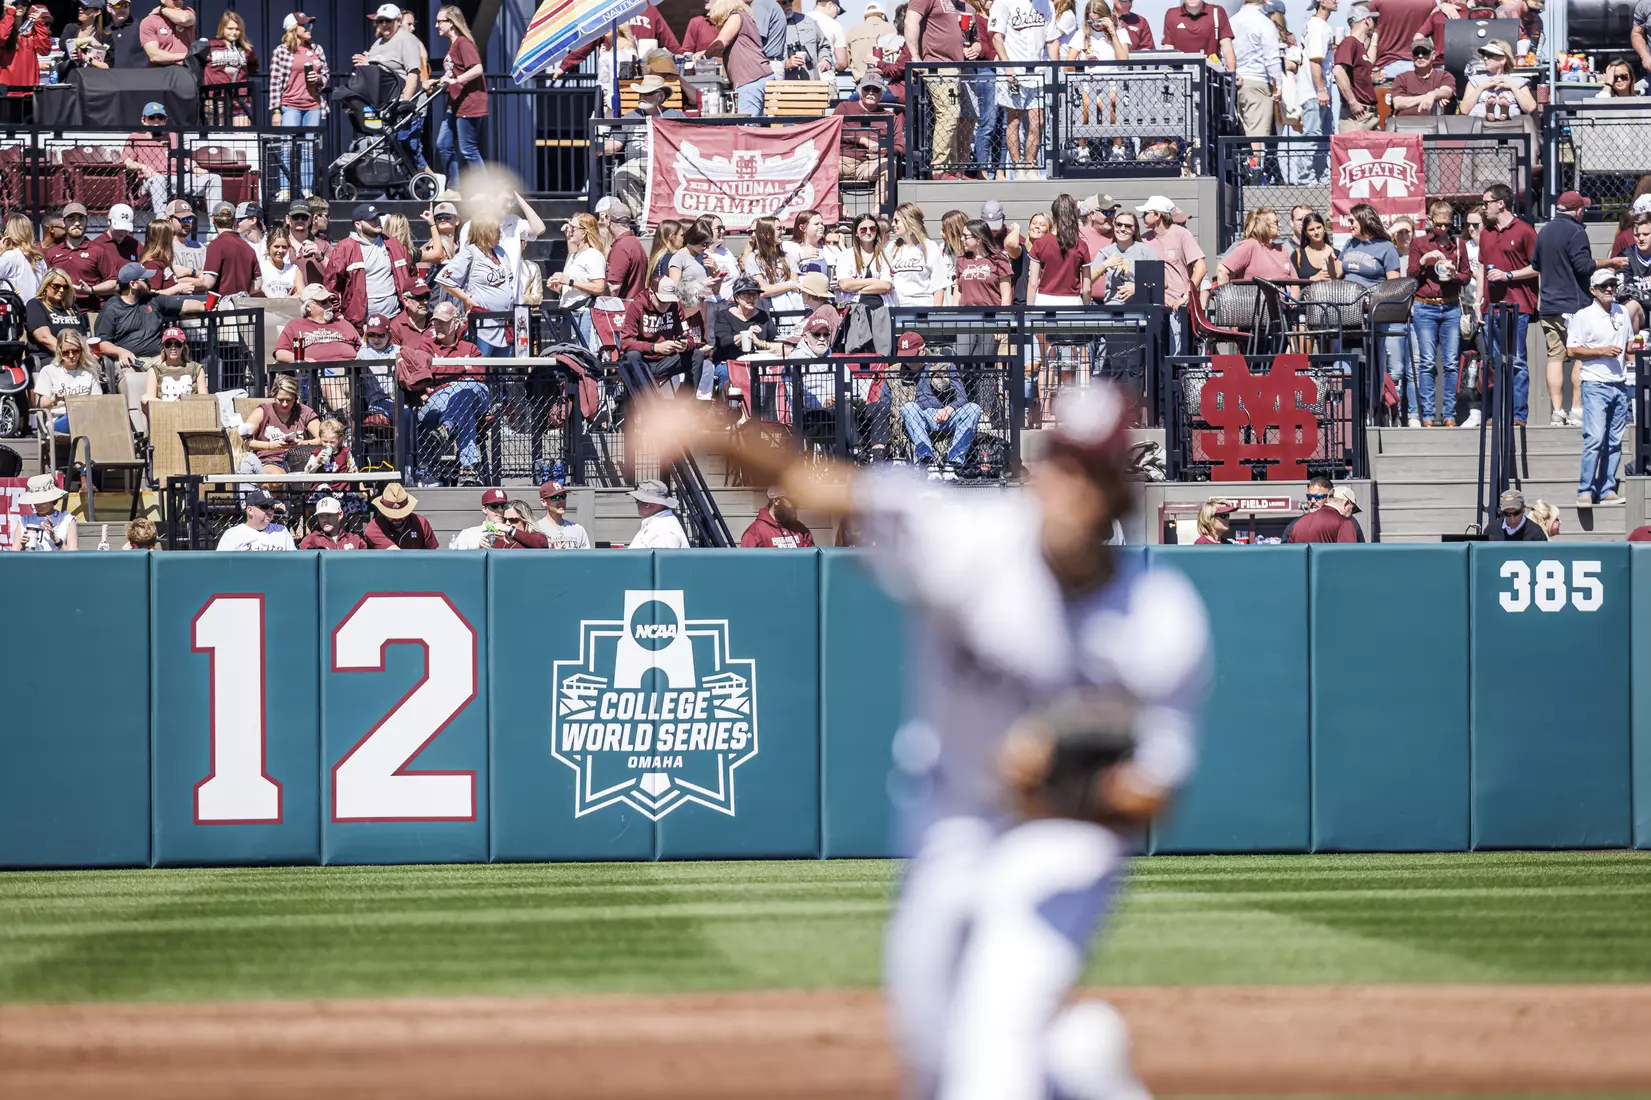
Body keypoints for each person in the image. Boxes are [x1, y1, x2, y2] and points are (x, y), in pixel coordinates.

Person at [633, 383, 1207, 1100]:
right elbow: (816, 483)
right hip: (950, 818)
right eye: (1059, 464)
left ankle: (1051, 1062)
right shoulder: (973, 538)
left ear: (1118, 491)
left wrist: (1059, 783)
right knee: (935, 1060)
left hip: (1062, 840)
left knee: (988, 1058)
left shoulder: (1158, 622)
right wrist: (712, 430)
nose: (1067, 488)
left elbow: (1152, 792)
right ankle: (1076, 1066)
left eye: (1089, 472)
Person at [93, 261, 206, 432]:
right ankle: (141, 433)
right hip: (129, 360)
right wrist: (120, 351)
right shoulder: (112, 308)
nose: (149, 282)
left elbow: (193, 305)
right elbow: (102, 342)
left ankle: (186, 426)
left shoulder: (154, 300)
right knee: (132, 379)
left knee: (186, 373)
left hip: (157, 358)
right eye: (144, 280)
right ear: (133, 284)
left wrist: (207, 305)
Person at [399, 300, 487, 484]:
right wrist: (461, 370)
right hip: (438, 403)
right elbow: (423, 376)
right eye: (435, 321)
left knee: (468, 388)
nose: (437, 325)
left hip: (466, 395)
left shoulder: (470, 348)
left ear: (456, 323)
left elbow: (479, 378)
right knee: (465, 408)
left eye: (443, 321)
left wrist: (444, 378)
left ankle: (447, 426)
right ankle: (469, 468)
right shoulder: (426, 347)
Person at [1534, 191, 1598, 429]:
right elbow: (1583, 266)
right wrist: (1607, 263)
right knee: (1581, 355)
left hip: (1549, 305)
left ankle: (1557, 412)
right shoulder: (1577, 231)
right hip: (1574, 306)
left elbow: (1536, 265)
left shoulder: (1544, 232)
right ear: (1578, 210)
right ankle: (1577, 411)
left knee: (1555, 357)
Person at [1568, 269, 1632, 508]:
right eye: (1604, 286)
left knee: (1614, 441)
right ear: (1592, 290)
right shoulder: (1583, 316)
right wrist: (1601, 351)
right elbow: (1572, 350)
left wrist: (1633, 347)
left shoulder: (1623, 312)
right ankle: (1586, 489)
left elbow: (1627, 345)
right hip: (1595, 384)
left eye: (1613, 285)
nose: (1609, 289)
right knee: (1595, 438)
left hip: (1619, 384)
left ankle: (1606, 489)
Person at [1479, 182, 1537, 427]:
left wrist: (1508, 275)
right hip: (1490, 308)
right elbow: (1481, 267)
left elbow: (1537, 267)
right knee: (1494, 362)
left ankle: (1518, 415)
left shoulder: (1525, 231)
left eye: (1486, 203)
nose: (1484, 208)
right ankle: (1496, 414)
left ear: (1500, 203)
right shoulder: (1485, 233)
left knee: (1517, 361)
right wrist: (1477, 302)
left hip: (1518, 306)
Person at [1411, 200, 1470, 427]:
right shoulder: (1420, 243)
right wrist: (1424, 261)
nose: (1443, 229)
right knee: (1426, 362)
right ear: (1430, 220)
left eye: (1447, 224)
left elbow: (1466, 276)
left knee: (1451, 363)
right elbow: (1411, 275)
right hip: (1425, 306)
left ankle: (1449, 415)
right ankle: (1427, 415)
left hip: (1451, 306)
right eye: (1439, 224)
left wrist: (1455, 274)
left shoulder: (1458, 244)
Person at [989, 0, 1058, 180]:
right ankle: (1017, 166)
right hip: (1013, 72)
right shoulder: (1003, 3)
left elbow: (1052, 40)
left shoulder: (1046, 4)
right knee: (1014, 119)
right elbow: (997, 38)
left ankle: (1031, 165)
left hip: (1038, 72)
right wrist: (1008, 68)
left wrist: (1057, 70)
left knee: (1038, 120)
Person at [354, 3, 427, 172]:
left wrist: (405, 104)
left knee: (406, 147)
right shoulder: (378, 43)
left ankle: (431, 181)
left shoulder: (407, 40)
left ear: (398, 21)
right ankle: (394, 186)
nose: (384, 24)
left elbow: (413, 74)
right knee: (387, 148)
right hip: (382, 106)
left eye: (388, 21)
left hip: (400, 104)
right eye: (380, 21)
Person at [123, 102, 223, 216]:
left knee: (214, 178)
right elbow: (126, 161)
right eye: (151, 117)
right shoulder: (135, 137)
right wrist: (142, 166)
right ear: (143, 120)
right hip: (151, 180)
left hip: (176, 179)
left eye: (160, 117)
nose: (156, 121)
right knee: (159, 180)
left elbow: (185, 159)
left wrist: (196, 168)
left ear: (165, 120)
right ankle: (162, 224)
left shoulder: (173, 136)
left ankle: (215, 224)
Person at [267, 13, 328, 201]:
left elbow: (326, 74)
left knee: (309, 148)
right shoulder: (281, 51)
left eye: (310, 24)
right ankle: (285, 189)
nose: (309, 27)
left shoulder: (317, 49)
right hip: (290, 105)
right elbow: (275, 82)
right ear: (293, 28)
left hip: (313, 105)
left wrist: (318, 79)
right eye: (305, 25)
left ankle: (306, 190)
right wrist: (276, 110)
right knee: (287, 147)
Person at [323, 203, 414, 327]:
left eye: (377, 218)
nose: (377, 222)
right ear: (358, 224)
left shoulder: (393, 244)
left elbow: (411, 275)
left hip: (395, 318)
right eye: (371, 220)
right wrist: (337, 313)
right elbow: (331, 284)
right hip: (361, 324)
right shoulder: (344, 248)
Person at [437, 215, 516, 356]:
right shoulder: (470, 252)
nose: (500, 234)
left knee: (504, 372)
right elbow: (444, 279)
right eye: (496, 230)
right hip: (483, 325)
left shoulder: (501, 252)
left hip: (505, 323)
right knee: (480, 369)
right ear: (485, 231)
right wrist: (466, 299)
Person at [900, 348, 983, 479]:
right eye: (905, 358)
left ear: (922, 351)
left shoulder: (943, 364)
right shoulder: (896, 371)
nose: (907, 362)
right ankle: (929, 463)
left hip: (947, 415)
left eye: (911, 357)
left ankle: (952, 464)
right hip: (921, 417)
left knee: (974, 408)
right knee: (908, 408)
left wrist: (948, 409)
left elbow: (962, 397)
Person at [1138, 196, 1205, 354]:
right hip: (1153, 308)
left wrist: (1185, 296)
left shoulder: (1182, 234)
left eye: (1145, 213)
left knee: (1177, 359)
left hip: (1178, 309)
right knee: (1155, 358)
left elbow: (1200, 268)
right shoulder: (1143, 240)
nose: (1142, 217)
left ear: (1157, 215)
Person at [429, 6, 487, 185]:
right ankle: (454, 187)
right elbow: (453, 73)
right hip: (455, 104)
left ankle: (486, 189)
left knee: (468, 148)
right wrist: (438, 81)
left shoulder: (463, 43)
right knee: (443, 144)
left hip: (469, 103)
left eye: (440, 21)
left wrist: (457, 80)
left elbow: (477, 68)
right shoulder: (454, 45)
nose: (436, 25)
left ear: (452, 23)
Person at [620, 276, 705, 390]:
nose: (666, 305)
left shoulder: (675, 305)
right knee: (633, 355)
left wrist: (685, 345)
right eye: (662, 301)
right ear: (651, 294)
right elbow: (626, 342)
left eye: (669, 300)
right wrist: (654, 347)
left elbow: (689, 337)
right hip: (643, 360)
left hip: (666, 360)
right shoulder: (637, 306)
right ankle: (642, 403)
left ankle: (685, 404)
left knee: (697, 355)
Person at [703, 0, 773, 117]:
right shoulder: (745, 17)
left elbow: (721, 42)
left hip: (749, 80)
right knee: (758, 125)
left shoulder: (735, 16)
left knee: (746, 126)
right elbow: (735, 48)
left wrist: (704, 56)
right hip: (758, 76)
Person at [239, 374, 319, 476]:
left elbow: (324, 437)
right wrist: (270, 446)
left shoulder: (304, 412)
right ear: (273, 396)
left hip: (300, 460)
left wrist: (303, 443)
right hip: (270, 460)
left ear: (295, 397)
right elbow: (242, 440)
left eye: (289, 400)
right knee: (276, 478)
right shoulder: (263, 412)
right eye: (280, 400)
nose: (285, 404)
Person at [549, 212, 607, 350]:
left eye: (573, 228)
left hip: (583, 315)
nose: (569, 230)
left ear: (584, 233)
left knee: (583, 357)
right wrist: (558, 287)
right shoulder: (574, 255)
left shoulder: (594, 255)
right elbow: (573, 285)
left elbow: (599, 287)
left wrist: (569, 281)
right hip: (569, 314)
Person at [1028, 194, 1094, 305]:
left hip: (1044, 301)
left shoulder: (1040, 244)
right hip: (1072, 303)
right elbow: (1087, 288)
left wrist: (1028, 311)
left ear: (1052, 214)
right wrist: (1085, 309)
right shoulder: (1081, 245)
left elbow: (1033, 284)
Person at [32, 329, 101, 434]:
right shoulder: (49, 371)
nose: (71, 356)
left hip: (86, 417)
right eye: (66, 352)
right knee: (75, 417)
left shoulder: (89, 372)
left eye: (75, 351)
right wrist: (54, 400)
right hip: (59, 419)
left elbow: (98, 401)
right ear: (59, 351)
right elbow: (43, 404)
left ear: (81, 350)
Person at [1230, 0, 1282, 139]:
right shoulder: (1264, 23)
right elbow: (1271, 58)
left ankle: (1245, 160)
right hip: (1258, 81)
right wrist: (1278, 86)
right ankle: (1256, 161)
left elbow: (1224, 53)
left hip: (1234, 82)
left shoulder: (1231, 21)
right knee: (1256, 134)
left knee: (1239, 133)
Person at [275, 283, 361, 365]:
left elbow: (362, 347)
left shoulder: (343, 323)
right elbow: (280, 353)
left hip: (350, 373)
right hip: (314, 375)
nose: (329, 304)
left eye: (330, 301)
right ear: (308, 307)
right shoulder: (294, 326)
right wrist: (303, 360)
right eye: (323, 302)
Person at [743, 214, 803, 320]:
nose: (783, 232)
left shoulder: (787, 257)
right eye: (779, 229)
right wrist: (789, 285)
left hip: (789, 313)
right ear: (766, 234)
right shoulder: (753, 259)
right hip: (765, 314)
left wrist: (778, 288)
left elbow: (796, 286)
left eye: (782, 228)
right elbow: (762, 291)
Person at [203, 10, 257, 125]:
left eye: (237, 29)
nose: (234, 32)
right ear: (222, 28)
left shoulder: (246, 48)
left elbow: (253, 66)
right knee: (218, 138)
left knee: (242, 139)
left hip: (240, 99)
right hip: (216, 101)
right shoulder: (210, 46)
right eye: (230, 28)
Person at [1214, 207, 1291, 285]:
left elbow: (1295, 282)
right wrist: (1228, 296)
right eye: (1276, 223)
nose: (1280, 225)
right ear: (1263, 225)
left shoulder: (1282, 250)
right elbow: (1222, 271)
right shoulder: (1250, 245)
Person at [1462, 39, 1534, 121]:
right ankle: (1489, 111)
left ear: (1503, 60)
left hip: (1511, 126)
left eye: (1490, 55)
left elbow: (1530, 108)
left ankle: (1504, 111)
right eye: (1484, 55)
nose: (1485, 58)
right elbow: (1464, 110)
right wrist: (1481, 87)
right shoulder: (1475, 80)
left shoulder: (1517, 81)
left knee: (1506, 108)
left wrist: (1512, 87)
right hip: (1479, 124)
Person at [1092, 211, 1154, 305]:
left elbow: (1162, 282)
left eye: (1128, 226)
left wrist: (1138, 287)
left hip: (1139, 310)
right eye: (1118, 225)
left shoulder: (1144, 250)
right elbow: (1088, 279)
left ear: (1135, 229)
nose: (1122, 229)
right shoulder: (1106, 252)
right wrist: (1105, 265)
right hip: (1112, 309)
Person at [141, 325, 207, 412]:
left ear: (183, 346)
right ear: (164, 347)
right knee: (145, 398)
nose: (173, 348)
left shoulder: (196, 368)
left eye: (177, 344)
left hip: (190, 413)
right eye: (168, 344)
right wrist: (172, 406)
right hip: (165, 413)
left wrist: (185, 402)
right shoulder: (155, 370)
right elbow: (149, 401)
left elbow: (205, 400)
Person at [201, 203, 261, 298]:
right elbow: (257, 285)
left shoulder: (215, 245)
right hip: (243, 307)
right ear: (235, 221)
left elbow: (208, 283)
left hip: (222, 308)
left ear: (212, 220)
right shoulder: (249, 248)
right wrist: (240, 292)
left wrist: (194, 275)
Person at [25, 269, 86, 362]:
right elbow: (45, 338)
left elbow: (83, 337)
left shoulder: (72, 308)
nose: (61, 290)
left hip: (76, 358)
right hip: (48, 358)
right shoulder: (35, 305)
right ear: (45, 286)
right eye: (56, 286)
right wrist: (69, 354)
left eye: (65, 287)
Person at [1333, 5, 1377, 132]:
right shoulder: (1349, 42)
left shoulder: (1359, 46)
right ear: (1366, 20)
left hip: (1368, 115)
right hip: (1357, 117)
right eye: (1373, 20)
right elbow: (1338, 71)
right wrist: (1352, 102)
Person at [10, 473, 76, 551]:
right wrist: (23, 546)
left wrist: (57, 540)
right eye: (35, 501)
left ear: (53, 500)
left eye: (43, 502)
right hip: (31, 562)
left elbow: (73, 555)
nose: (38, 505)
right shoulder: (24, 521)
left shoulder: (66, 519)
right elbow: (14, 554)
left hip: (58, 562)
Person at [363, 482, 439, 549]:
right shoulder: (374, 528)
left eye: (401, 514)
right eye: (391, 515)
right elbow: (395, 554)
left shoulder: (421, 523)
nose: (397, 518)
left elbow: (432, 554)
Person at [1389, 39, 1455, 115]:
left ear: (1433, 55)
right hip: (1405, 124)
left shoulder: (1444, 76)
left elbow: (1447, 92)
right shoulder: (1401, 78)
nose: (1420, 56)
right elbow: (1398, 103)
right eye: (1416, 53)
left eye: (1425, 52)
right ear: (1412, 57)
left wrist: (1433, 94)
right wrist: (1429, 97)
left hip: (1436, 124)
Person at [1161, 0, 1235, 69]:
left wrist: (1232, 73)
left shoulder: (1217, 12)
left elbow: (1227, 47)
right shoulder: (1172, 14)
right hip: (1181, 75)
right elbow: (1168, 48)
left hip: (1210, 74)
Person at [215, 489, 296, 551]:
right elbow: (221, 566)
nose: (270, 511)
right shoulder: (232, 535)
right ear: (250, 510)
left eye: (272, 507)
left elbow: (294, 563)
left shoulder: (282, 531)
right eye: (265, 507)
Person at [1282, 477, 1358, 542]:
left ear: (1329, 498)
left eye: (1318, 497)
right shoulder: (1295, 524)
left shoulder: (1347, 522)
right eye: (1309, 497)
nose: (1312, 501)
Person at [602, 202, 649, 302]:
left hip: (624, 310)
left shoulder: (621, 247)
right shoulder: (634, 242)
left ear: (609, 220)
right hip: (635, 306)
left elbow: (613, 288)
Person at [741, 486, 817, 547]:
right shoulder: (755, 532)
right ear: (776, 501)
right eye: (792, 501)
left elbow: (811, 561)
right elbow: (748, 564)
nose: (796, 506)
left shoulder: (801, 529)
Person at [627, 478, 690, 547]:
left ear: (648, 504)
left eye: (637, 500)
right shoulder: (658, 525)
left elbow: (664, 557)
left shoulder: (664, 532)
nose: (637, 504)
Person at [450, 486, 517, 549]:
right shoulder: (468, 534)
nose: (500, 510)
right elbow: (456, 559)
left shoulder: (513, 533)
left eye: (503, 506)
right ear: (484, 509)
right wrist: (478, 548)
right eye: (494, 506)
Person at [298, 495, 370, 550]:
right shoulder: (311, 540)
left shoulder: (355, 540)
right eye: (321, 516)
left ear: (340, 515)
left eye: (329, 515)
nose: (325, 520)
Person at [537, 480, 592, 549]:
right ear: (544, 502)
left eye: (563, 496)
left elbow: (586, 558)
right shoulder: (536, 530)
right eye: (555, 497)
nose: (561, 501)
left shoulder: (578, 530)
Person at [259, 229, 300, 298]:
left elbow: (301, 294)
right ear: (269, 247)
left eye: (284, 247)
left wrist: (286, 299)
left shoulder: (294, 270)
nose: (280, 250)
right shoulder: (260, 269)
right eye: (276, 246)